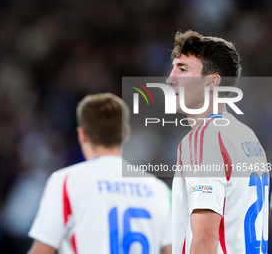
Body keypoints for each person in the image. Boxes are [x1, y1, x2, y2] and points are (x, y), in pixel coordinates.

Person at [27, 93, 172, 254]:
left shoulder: (66, 181)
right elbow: (171, 250)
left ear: (82, 134)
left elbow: (42, 250)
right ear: (126, 133)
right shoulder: (160, 190)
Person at [168, 30, 269, 254]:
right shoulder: (248, 138)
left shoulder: (204, 137)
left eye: (183, 70)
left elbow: (205, 237)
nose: (170, 79)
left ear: (212, 82)